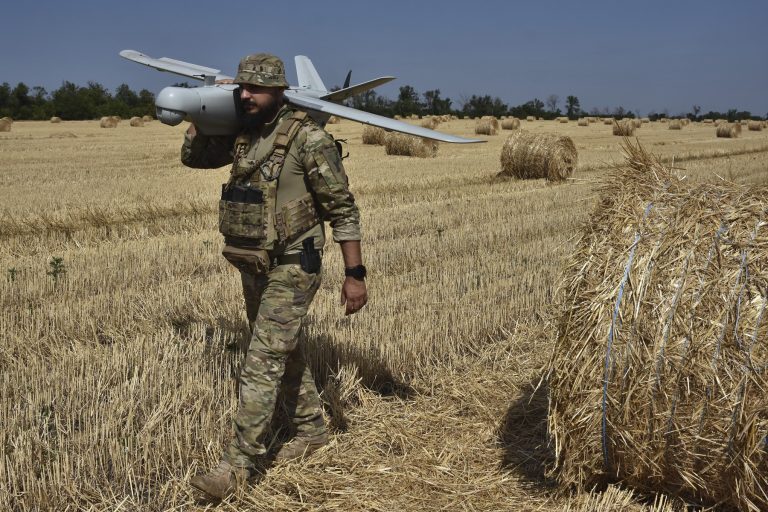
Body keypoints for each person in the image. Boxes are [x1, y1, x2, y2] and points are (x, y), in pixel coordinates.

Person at [180, 53, 368, 500]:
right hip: (255, 261)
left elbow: (343, 210)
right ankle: (311, 429)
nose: (245, 95)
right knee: (283, 349)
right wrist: (197, 116)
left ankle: (235, 468)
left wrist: (355, 274)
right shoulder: (245, 134)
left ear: (279, 91)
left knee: (262, 358)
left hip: (296, 263)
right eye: (241, 87)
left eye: (255, 89)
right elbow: (194, 159)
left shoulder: (310, 139)